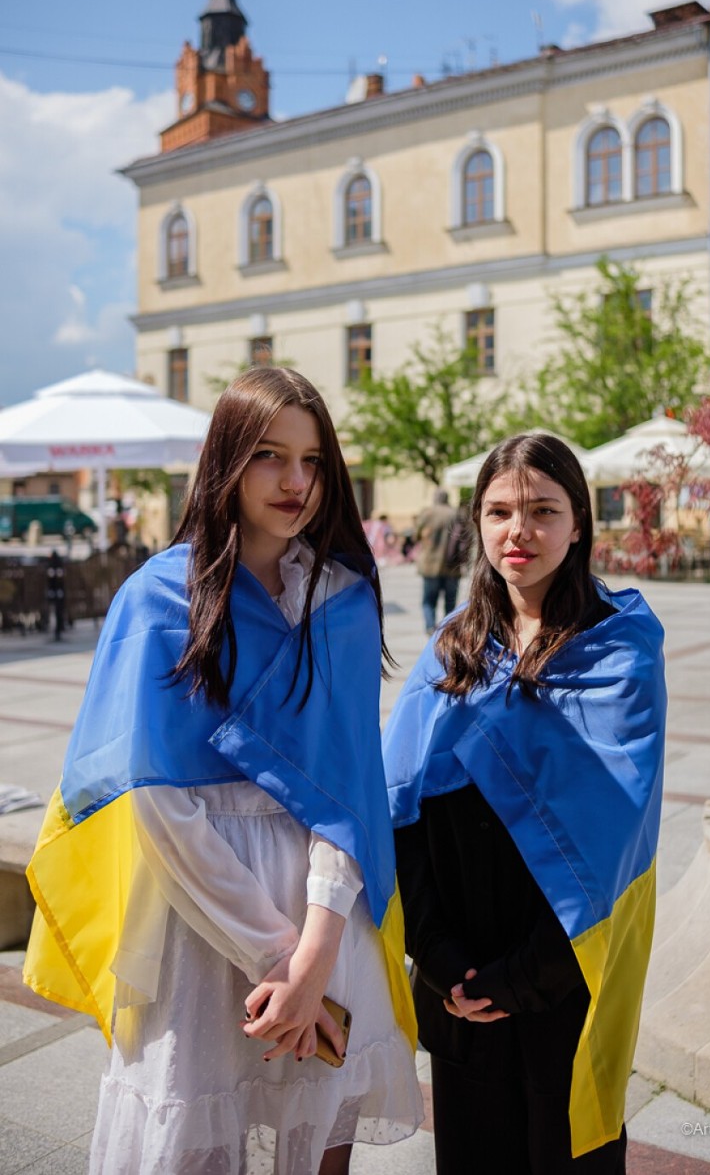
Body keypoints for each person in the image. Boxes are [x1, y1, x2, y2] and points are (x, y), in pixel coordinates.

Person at [24, 367, 422, 1175]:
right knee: (197, 1145)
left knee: (320, 1148)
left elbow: (348, 794)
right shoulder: (157, 599)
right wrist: (276, 961)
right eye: (270, 455)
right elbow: (156, 802)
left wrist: (313, 959)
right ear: (226, 461)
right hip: (205, 923)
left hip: (326, 914)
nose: (296, 482)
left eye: (313, 461)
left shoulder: (343, 599)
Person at [383, 433, 666, 1174]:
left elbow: (617, 839)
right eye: (501, 510)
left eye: (543, 510)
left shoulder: (620, 652)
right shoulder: (451, 651)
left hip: (560, 983)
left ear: (579, 521)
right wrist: (441, 959)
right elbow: (398, 812)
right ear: (477, 521)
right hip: (459, 986)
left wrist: (520, 978)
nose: (520, 531)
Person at [413, 488, 471, 634]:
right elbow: (466, 538)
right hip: (452, 565)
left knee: (428, 601)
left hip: (430, 564)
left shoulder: (427, 513)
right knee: (450, 602)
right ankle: (448, 629)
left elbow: (416, 535)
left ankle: (430, 627)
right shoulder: (455, 514)